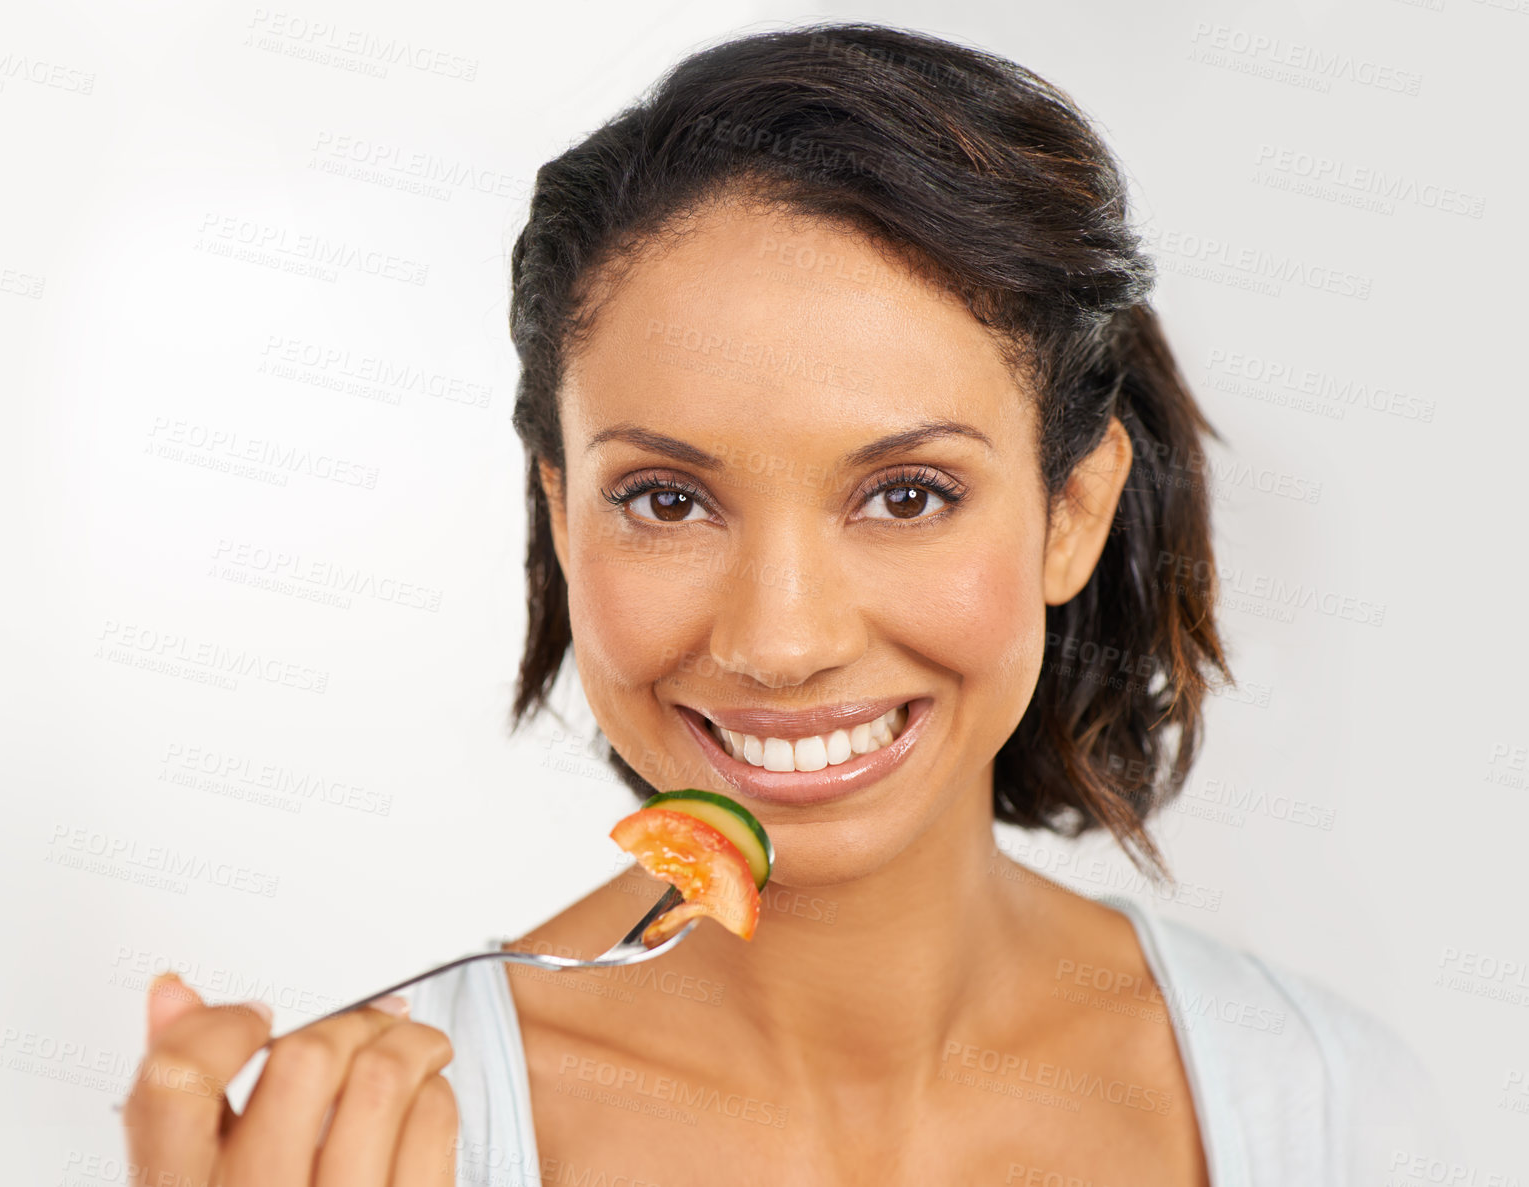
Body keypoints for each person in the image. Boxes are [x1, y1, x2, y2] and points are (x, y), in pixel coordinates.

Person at [122, 23, 1457, 1185]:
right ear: (559, 514)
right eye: (665, 500)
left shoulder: (1332, 1110)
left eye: (910, 494)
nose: (781, 641)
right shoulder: (356, 1147)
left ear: (1073, 512)